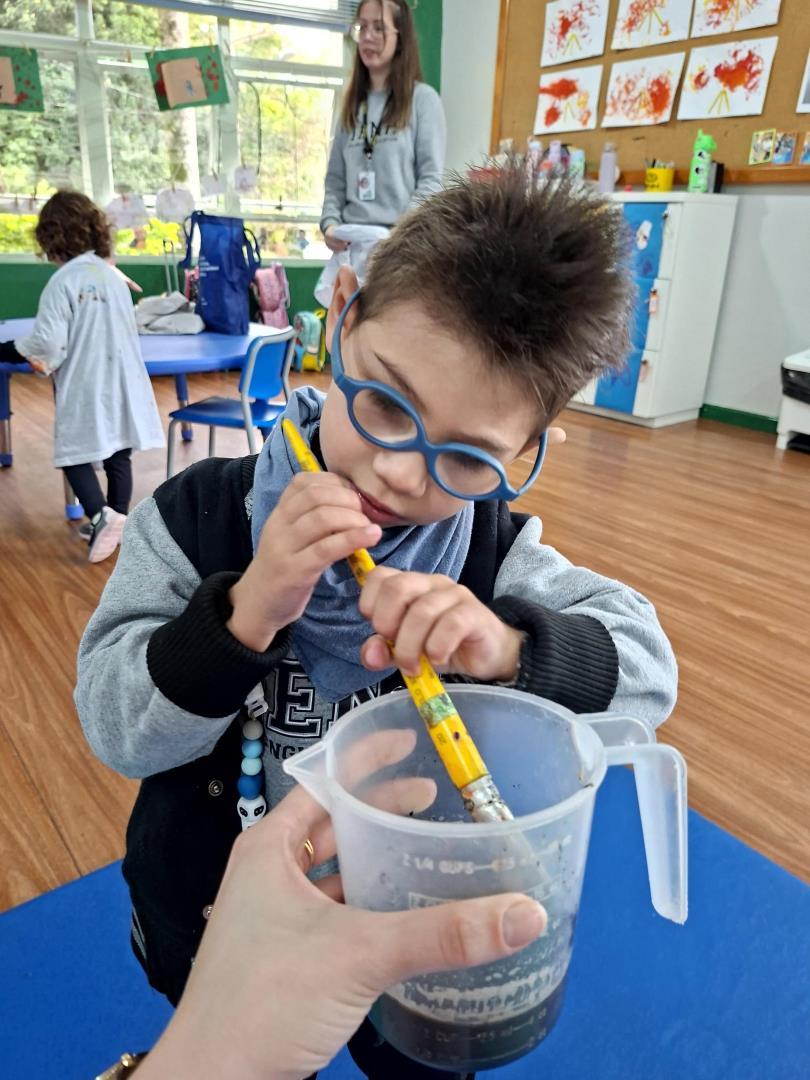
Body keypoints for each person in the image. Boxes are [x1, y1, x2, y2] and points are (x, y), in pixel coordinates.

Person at [76, 169, 677, 1080]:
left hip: (422, 939)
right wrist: (245, 614)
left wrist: (509, 649)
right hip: (218, 923)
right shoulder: (194, 520)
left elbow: (648, 676)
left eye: (467, 457)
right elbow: (115, 728)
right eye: (388, 403)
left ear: (529, 453)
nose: (400, 474)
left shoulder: (493, 557)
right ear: (343, 315)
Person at [99, 782, 548, 1079]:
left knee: (422, 1062)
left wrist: (515, 660)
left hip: (427, 979)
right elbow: (119, 729)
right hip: (224, 928)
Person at [0, 191, 164, 562]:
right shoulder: (112, 276)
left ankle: (101, 515)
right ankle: (118, 520)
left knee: (72, 452)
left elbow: (47, 343)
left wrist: (8, 349)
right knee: (119, 452)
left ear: (50, 237)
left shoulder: (63, 282)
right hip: (124, 378)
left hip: (88, 381)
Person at [320, 0, 445, 255]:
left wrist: (399, 236)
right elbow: (335, 181)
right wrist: (330, 224)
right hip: (350, 245)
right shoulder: (351, 106)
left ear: (401, 36)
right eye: (362, 27)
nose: (368, 37)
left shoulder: (423, 100)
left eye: (379, 28)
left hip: (401, 248)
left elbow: (430, 180)